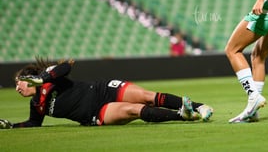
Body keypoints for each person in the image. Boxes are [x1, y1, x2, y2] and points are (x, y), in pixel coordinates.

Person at [0, 58, 213, 129]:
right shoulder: (36, 104)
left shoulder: (49, 78)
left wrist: (42, 79)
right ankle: (182, 115)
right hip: (95, 112)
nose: (18, 88)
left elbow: (65, 67)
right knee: (135, 110)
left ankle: (198, 106)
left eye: (20, 83)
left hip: (102, 89)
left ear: (30, 79)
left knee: (148, 96)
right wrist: (11, 126)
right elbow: (33, 124)